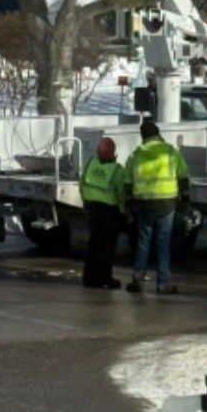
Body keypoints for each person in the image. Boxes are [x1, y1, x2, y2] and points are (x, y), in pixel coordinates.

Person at [124, 117, 189, 294]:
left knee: (143, 242)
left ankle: (137, 281)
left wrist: (129, 205)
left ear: (142, 136)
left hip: (144, 204)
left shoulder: (136, 154)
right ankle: (163, 284)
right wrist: (185, 199)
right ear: (158, 134)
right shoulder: (170, 152)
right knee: (163, 243)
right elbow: (183, 176)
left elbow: (127, 182)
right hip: (167, 203)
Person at [79, 136, 126, 289]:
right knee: (107, 247)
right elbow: (121, 194)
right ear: (114, 153)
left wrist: (85, 202)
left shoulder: (90, 163)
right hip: (108, 211)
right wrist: (124, 211)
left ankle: (89, 278)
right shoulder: (117, 170)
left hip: (91, 208)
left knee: (93, 244)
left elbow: (81, 184)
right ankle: (104, 278)